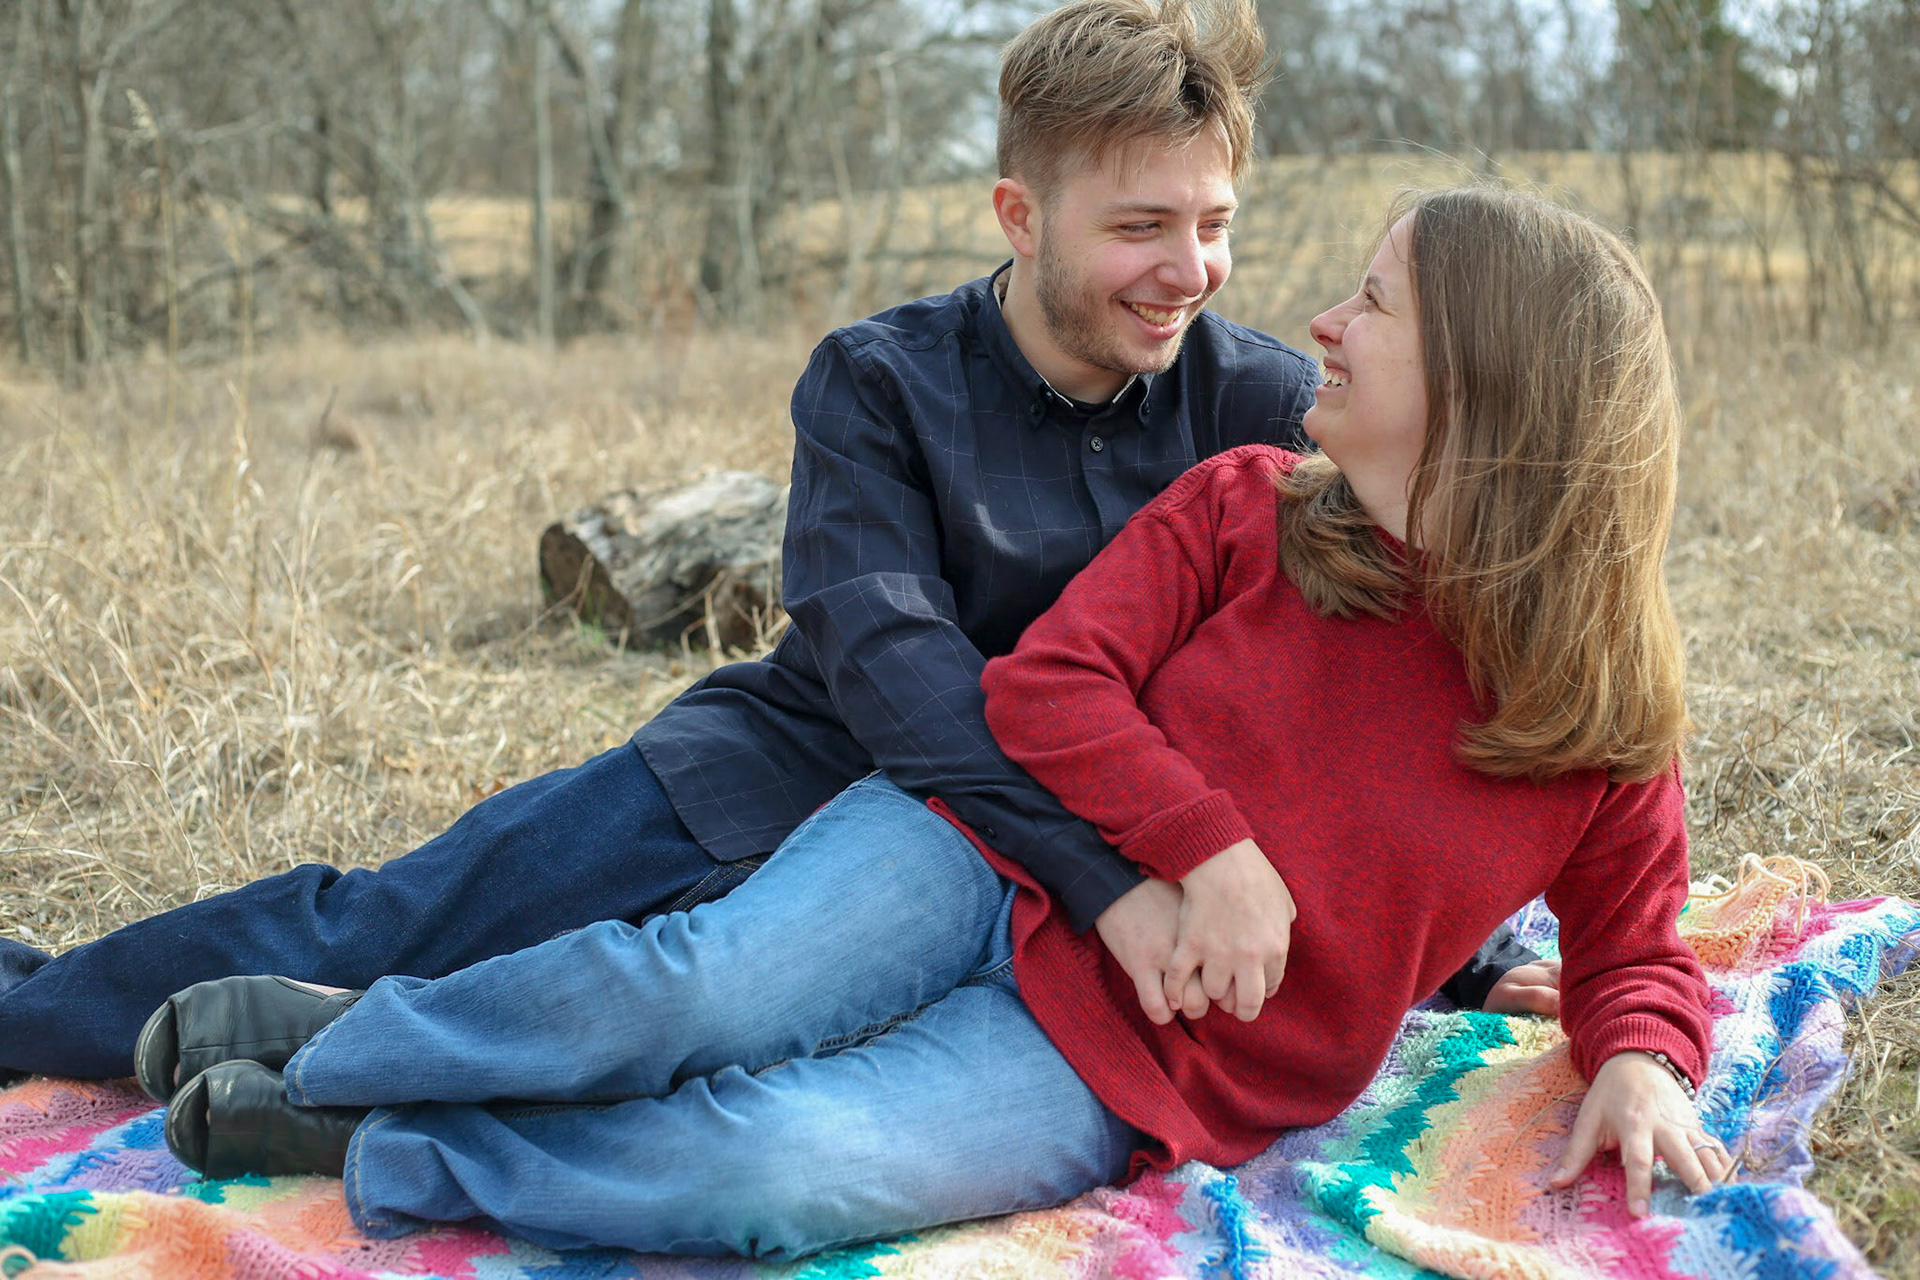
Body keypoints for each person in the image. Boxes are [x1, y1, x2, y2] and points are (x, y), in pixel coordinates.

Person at [150, 182, 1725, 1260]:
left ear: (1488, 388)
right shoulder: (1246, 505)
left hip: (1137, 1064)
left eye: (1372, 303)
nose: (1320, 319)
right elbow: (1046, 686)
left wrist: (1644, 1059)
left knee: (776, 1166)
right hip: (979, 854)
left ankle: (399, 1146)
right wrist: (1208, 849)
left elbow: (1636, 946)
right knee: (694, 993)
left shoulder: (1594, 716)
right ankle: (362, 1038)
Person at [0, 0, 1552, 1087]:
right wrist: (1108, 881)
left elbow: (1378, 685)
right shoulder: (879, 382)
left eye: (1214, 224)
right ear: (1020, 215)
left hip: (1054, 864)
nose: (1189, 270)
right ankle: (32, 1012)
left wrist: (1472, 956)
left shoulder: (1266, 407)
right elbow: (902, 683)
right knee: (403, 925)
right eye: (1140, 227)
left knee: (682, 1053)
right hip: (795, 770)